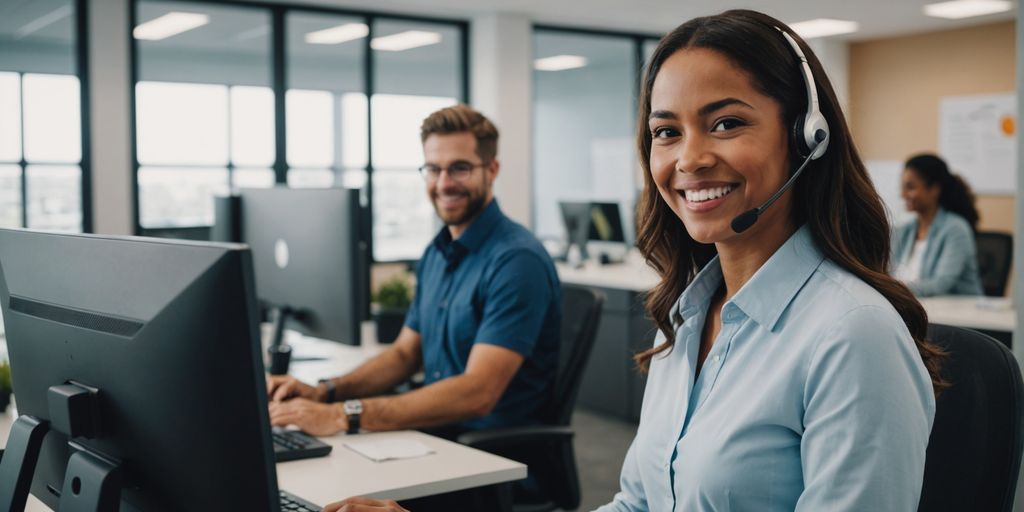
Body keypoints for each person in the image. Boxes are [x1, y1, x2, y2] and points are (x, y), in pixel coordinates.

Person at [597, 10, 942, 511]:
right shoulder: (683, 319)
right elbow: (638, 503)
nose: (689, 159)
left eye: (727, 123)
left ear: (807, 136)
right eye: (666, 132)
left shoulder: (852, 335)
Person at [267, 104, 561, 440]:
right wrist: (324, 393)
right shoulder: (436, 253)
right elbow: (405, 354)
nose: (444, 183)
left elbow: (478, 393)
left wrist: (340, 415)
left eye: (460, 168)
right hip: (435, 435)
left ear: (492, 170)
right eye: (433, 169)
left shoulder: (516, 261)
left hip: (491, 458)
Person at [892, 153, 983, 296]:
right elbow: (887, 272)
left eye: (910, 187)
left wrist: (892, 290)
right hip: (913, 306)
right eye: (902, 187)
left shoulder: (956, 229)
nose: (903, 195)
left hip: (956, 313)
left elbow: (940, 284)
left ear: (934, 189)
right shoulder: (904, 231)